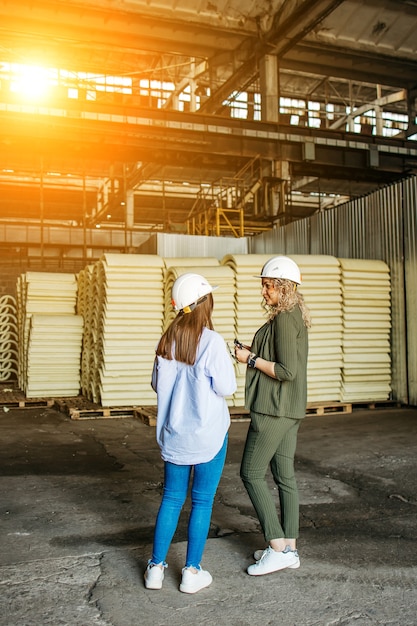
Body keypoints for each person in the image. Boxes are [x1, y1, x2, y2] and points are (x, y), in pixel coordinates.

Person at [145, 272, 237, 594]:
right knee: (202, 502)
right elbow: (227, 387)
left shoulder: (166, 340)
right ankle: (191, 572)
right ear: (204, 303)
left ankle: (155, 569)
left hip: (175, 436)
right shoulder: (212, 342)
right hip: (208, 437)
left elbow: (157, 385)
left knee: (171, 499)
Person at [234, 255, 311, 576]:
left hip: (274, 409)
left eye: (267, 286)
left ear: (283, 287)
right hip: (288, 408)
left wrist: (249, 359)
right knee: (284, 477)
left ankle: (277, 545)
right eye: (264, 285)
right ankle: (289, 547)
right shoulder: (290, 316)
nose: (264, 291)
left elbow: (286, 370)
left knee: (250, 473)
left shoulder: (284, 319)